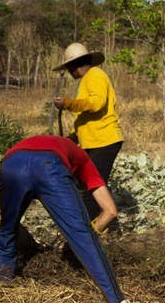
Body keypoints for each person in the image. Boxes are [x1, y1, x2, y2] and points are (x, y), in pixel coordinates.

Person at [0, 134, 147, 303]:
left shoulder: (29, 144)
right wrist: (84, 237)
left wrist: (28, 244)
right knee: (83, 236)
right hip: (48, 166)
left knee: (6, 232)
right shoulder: (81, 157)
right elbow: (110, 211)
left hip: (11, 164)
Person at [51, 42, 123, 218]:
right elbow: (86, 117)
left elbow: (96, 104)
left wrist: (68, 104)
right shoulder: (87, 80)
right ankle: (96, 223)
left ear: (75, 65)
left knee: (94, 187)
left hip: (104, 141)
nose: (69, 72)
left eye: (69, 67)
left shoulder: (95, 75)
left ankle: (94, 225)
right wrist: (72, 138)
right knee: (87, 184)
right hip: (94, 142)